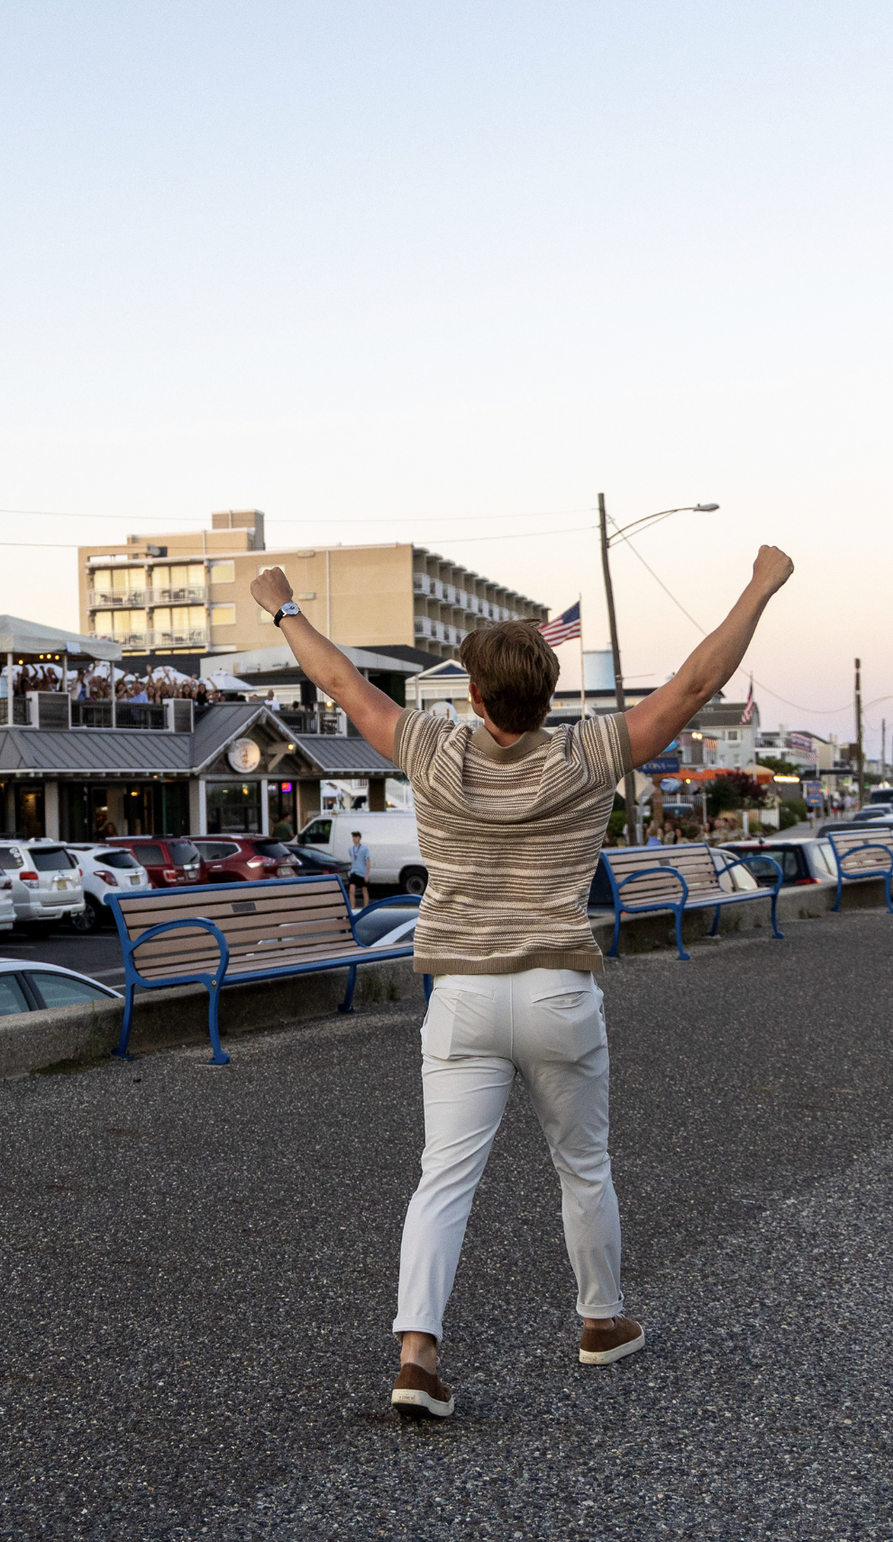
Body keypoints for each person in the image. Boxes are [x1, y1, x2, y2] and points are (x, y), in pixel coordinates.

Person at [252, 544, 795, 1421]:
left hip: (461, 995)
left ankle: (417, 1354)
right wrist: (759, 586)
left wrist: (281, 610)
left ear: (473, 696)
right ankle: (601, 1320)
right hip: (558, 995)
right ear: (548, 696)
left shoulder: (432, 751)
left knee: (444, 1179)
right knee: (582, 1165)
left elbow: (347, 686)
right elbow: (695, 685)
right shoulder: (586, 758)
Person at [346, 829, 371, 909]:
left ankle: (366, 907)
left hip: (362, 872)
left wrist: (367, 875)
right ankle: (352, 907)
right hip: (354, 872)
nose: (354, 839)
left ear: (359, 838)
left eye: (356, 837)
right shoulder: (351, 849)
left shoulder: (364, 849)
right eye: (353, 837)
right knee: (351, 890)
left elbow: (368, 862)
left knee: (364, 890)